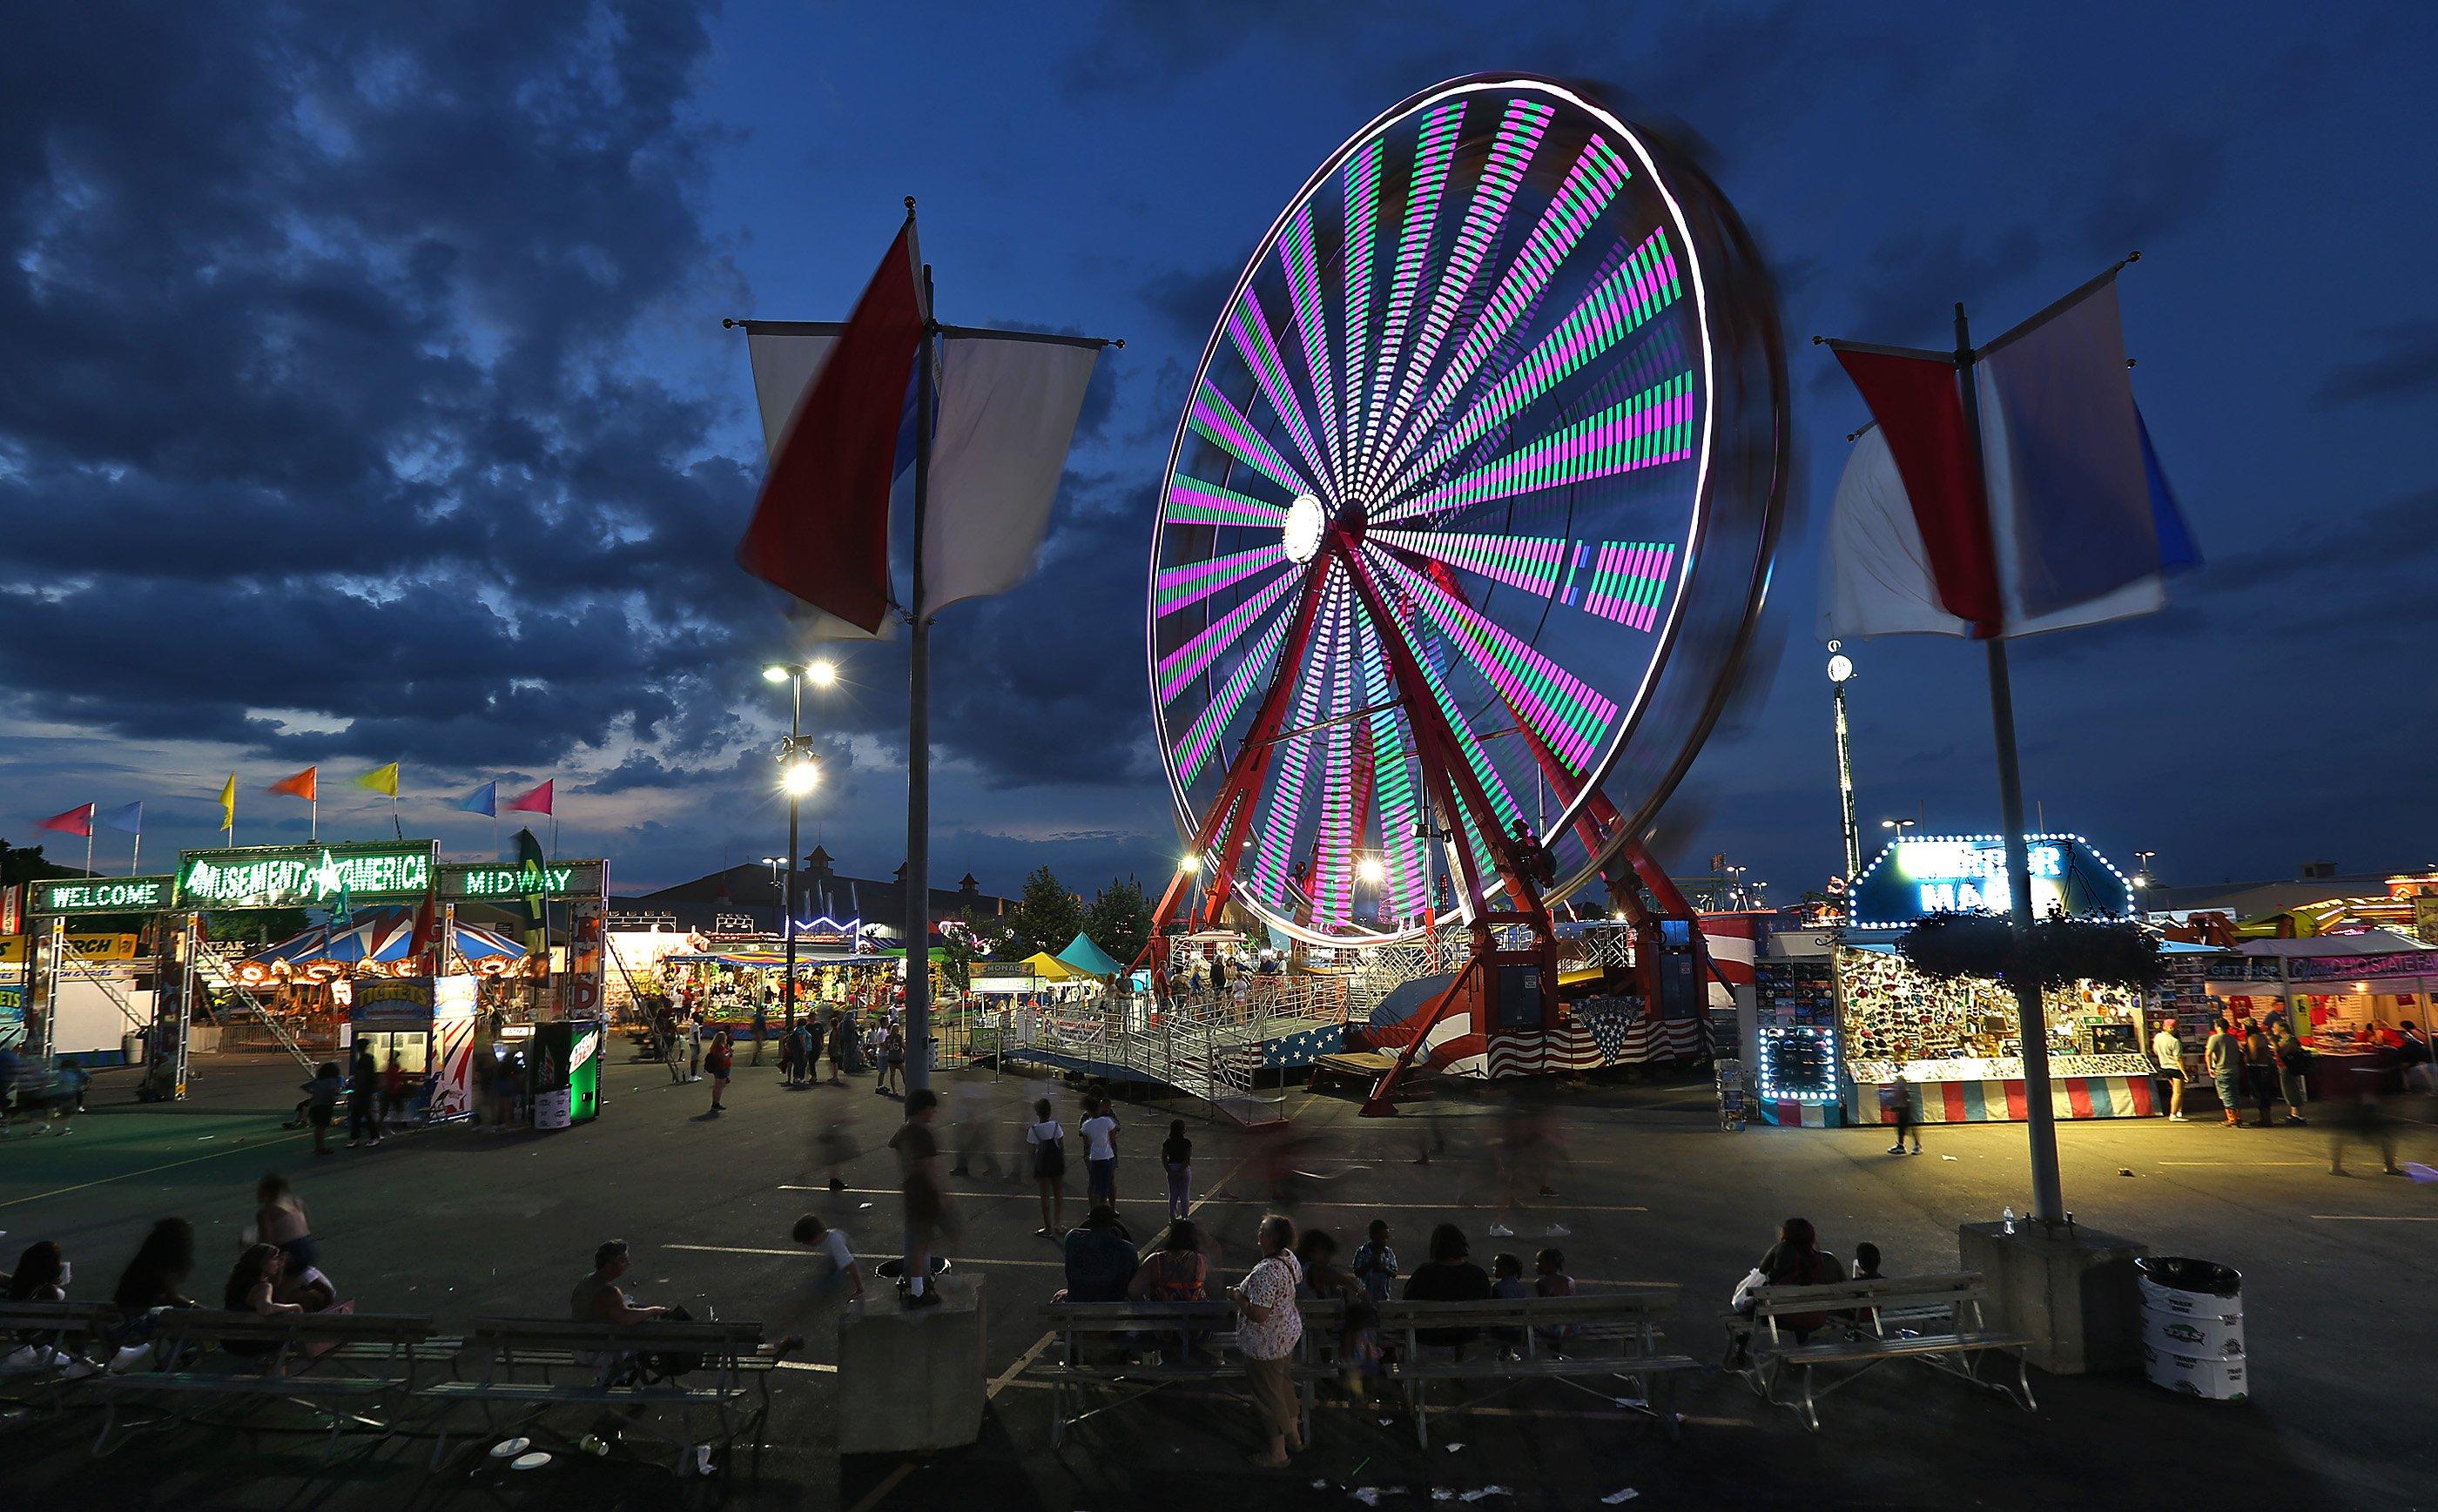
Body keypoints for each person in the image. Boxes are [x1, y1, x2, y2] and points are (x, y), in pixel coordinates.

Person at [1230, 1214, 1304, 1468]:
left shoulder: (1265, 1272)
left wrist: (1239, 1297)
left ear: (1271, 1238)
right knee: (1283, 1386)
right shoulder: (1288, 1259)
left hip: (1266, 1344)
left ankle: (1278, 1454)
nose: (1257, 1234)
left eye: (1262, 1230)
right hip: (1285, 1336)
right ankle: (1295, 1437)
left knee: (1267, 1397)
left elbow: (1259, 1314)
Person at [889, 1089, 949, 1307]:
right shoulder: (923, 1134)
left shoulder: (904, 1131)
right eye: (931, 1108)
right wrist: (940, 1195)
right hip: (924, 1192)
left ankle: (917, 1288)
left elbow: (896, 1151)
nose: (933, 1113)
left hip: (911, 1188)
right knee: (921, 1243)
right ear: (923, 1109)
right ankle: (917, 1291)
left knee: (920, 1241)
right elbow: (929, 1168)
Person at [1750, 1217, 1846, 1342]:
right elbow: (1844, 1284)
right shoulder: (1826, 1259)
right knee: (1803, 1302)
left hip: (1783, 1316)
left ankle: (1740, 1347)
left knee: (1752, 1306)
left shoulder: (1781, 1250)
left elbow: (1761, 1271)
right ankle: (1802, 1345)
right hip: (1817, 1319)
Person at [1403, 1223, 1494, 1350]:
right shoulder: (1477, 1275)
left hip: (1429, 1334)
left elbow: (1408, 1301)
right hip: (1466, 1333)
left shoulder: (1423, 1274)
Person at [112, 1218, 199, 1314]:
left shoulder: (144, 1260)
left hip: (122, 1315)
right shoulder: (167, 1264)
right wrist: (195, 1307)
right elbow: (171, 1297)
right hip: (138, 1319)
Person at [1061, 1206, 1138, 1303]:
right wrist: (1117, 1238)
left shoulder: (1072, 1240)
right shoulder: (1128, 1249)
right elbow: (1134, 1275)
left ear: (1090, 1222)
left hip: (1078, 1301)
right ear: (1112, 1224)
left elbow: (1074, 1232)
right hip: (1113, 1305)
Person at [789, 1213, 865, 1312]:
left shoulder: (835, 1244)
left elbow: (851, 1264)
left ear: (815, 1237)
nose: (806, 1245)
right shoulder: (826, 1237)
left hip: (843, 1254)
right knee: (830, 1273)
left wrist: (859, 1289)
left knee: (830, 1282)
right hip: (836, 1255)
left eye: (806, 1242)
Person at [1129, 1220, 1208, 1301]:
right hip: (1195, 1312)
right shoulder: (1201, 1261)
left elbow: (1133, 1291)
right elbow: (1216, 1287)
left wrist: (1147, 1306)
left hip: (1161, 1312)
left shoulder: (1155, 1260)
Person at [255, 1174, 318, 1269]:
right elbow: (307, 1226)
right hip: (309, 1246)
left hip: (292, 1251)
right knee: (300, 1272)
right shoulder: (296, 1201)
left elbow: (267, 1242)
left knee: (273, 1275)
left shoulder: (266, 1212)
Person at [1027, 1098, 1068, 1237]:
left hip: (1042, 1163)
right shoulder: (1056, 1126)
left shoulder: (1033, 1130)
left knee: (1044, 1196)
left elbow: (1031, 1152)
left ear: (1037, 1113)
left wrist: (1033, 1168)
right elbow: (1061, 1145)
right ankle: (1058, 1223)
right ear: (1050, 1111)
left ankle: (1048, 1227)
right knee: (1058, 1194)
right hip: (1056, 1161)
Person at [1081, 1097, 1121, 1208]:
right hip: (1107, 1156)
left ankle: (1094, 1210)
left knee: (1094, 1184)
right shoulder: (1107, 1121)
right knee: (1107, 1183)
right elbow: (1112, 1138)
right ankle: (1106, 1210)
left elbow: (1087, 1142)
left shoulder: (1086, 1124)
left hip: (1094, 1157)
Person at [300, 1060, 344, 1156]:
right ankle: (321, 1148)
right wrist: (332, 1102)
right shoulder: (331, 1081)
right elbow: (331, 1093)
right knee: (322, 1128)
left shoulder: (318, 1081)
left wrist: (314, 1093)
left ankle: (319, 1147)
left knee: (318, 1128)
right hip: (324, 1105)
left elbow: (304, 1086)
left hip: (315, 1105)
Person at [2271, 1021, 2311, 1126]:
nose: (2273, 1029)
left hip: (2288, 1068)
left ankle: (2298, 1115)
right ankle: (2294, 1114)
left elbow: (2281, 1052)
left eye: (2275, 1027)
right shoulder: (2283, 1039)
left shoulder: (2290, 1040)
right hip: (2283, 1067)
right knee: (2288, 1090)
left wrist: (2273, 1043)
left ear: (2283, 1028)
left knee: (2291, 1089)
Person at [2205, 1018, 2242, 1128]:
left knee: (2226, 1094)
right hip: (2234, 1069)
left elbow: (2208, 1054)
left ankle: (2232, 1119)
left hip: (2222, 1069)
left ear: (2218, 1027)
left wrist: (2209, 1067)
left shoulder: (2214, 1038)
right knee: (2235, 1093)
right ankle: (2238, 1116)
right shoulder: (2232, 1039)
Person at [1351, 1220, 1399, 1306]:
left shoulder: (1388, 1252)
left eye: (1386, 1238)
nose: (1384, 1241)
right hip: (1366, 1299)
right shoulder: (1362, 1251)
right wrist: (1369, 1264)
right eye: (1381, 1237)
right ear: (1372, 1236)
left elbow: (1394, 1273)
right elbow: (1357, 1272)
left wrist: (1383, 1269)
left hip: (1384, 1298)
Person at [2241, 1024, 2277, 1127]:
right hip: (2265, 1067)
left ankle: (2265, 1118)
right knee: (2264, 1093)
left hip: (2257, 1067)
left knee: (2260, 1093)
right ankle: (2266, 1117)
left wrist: (2245, 1053)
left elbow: (2253, 1055)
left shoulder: (2252, 1038)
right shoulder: (2262, 1036)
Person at [2152, 1019, 2188, 1120]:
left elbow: (2155, 1050)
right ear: (2172, 1028)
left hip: (2164, 1066)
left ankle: (2179, 1111)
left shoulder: (2158, 1037)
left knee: (2177, 1091)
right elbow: (2178, 1059)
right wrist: (2185, 1073)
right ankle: (2173, 1114)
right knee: (2178, 1092)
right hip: (2175, 1068)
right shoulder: (2175, 1041)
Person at [347, 1044, 381, 1149]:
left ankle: (360, 1138)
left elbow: (360, 1077)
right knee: (364, 1115)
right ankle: (372, 1136)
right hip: (367, 1091)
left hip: (362, 1092)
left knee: (358, 1115)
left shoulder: (362, 1061)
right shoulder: (369, 1059)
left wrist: (357, 1091)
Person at [1883, 1060, 1919, 1156]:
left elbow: (1903, 1096)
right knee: (1901, 1128)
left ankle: (1917, 1145)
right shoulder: (1900, 1082)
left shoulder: (1902, 1084)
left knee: (1908, 1127)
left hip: (1906, 1108)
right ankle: (1901, 1145)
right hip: (1903, 1108)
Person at [1162, 1118, 1193, 1222]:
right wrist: (1180, 1171)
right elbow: (1187, 1159)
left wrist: (1169, 1170)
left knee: (1173, 1194)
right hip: (1183, 1169)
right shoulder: (1187, 1143)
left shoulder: (1167, 1142)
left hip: (1172, 1167)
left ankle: (1172, 1218)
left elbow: (1164, 1157)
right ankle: (1185, 1217)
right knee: (1184, 1194)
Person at [704, 1030, 733, 1115]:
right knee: (719, 1087)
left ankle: (715, 1103)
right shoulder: (720, 1047)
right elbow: (723, 1058)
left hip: (719, 1067)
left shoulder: (715, 1046)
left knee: (717, 1086)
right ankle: (716, 1103)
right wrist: (729, 1053)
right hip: (722, 1067)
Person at [381, 1051, 411, 1132]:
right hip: (394, 1090)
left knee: (392, 1107)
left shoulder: (389, 1065)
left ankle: (395, 1123)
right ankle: (400, 1123)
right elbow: (395, 1077)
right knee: (398, 1107)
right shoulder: (394, 1065)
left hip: (391, 1089)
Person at [751, 1001, 768, 1067]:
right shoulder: (762, 1017)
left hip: (756, 1032)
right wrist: (766, 1034)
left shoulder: (755, 1016)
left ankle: (755, 1060)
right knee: (758, 1048)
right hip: (759, 1032)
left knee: (758, 1047)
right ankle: (755, 1061)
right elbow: (763, 1026)